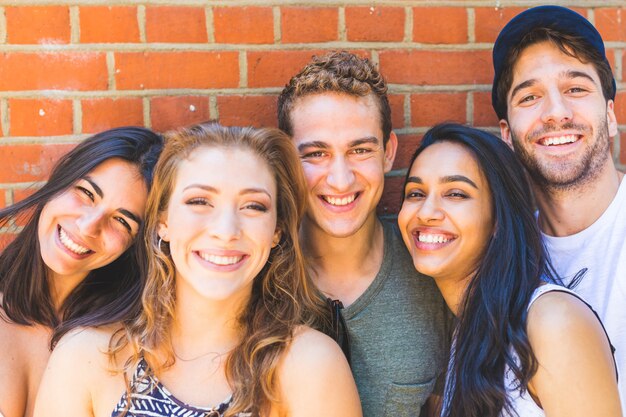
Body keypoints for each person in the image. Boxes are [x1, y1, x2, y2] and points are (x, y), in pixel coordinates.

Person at [34, 123, 361, 417]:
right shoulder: (86, 358)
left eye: (253, 206)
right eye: (199, 201)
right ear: (162, 221)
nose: (226, 229)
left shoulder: (310, 365)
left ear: (276, 230)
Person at [398, 123, 621, 417]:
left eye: (455, 194)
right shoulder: (469, 327)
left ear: (498, 220)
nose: (426, 212)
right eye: (415, 193)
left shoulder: (551, 322)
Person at [278, 51, 450, 416]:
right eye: (316, 154)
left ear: (388, 153)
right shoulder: (256, 271)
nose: (340, 179)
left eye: (359, 150)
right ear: (286, 159)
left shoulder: (431, 268)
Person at [491, 5, 626, 409]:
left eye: (576, 89)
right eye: (530, 96)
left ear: (610, 114)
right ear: (507, 134)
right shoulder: (500, 261)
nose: (556, 113)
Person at [0, 127, 163, 417]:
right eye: (87, 193)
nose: (89, 226)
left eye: (122, 221)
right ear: (61, 179)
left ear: (134, 246)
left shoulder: (125, 347)